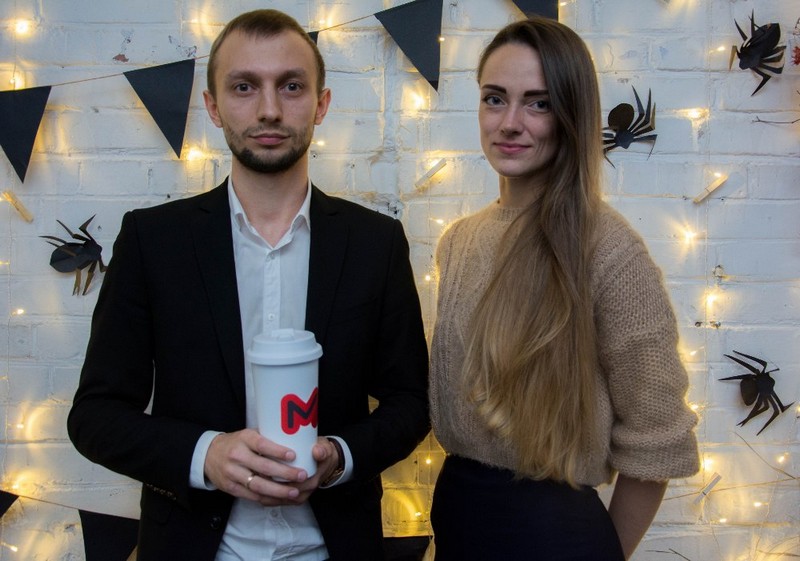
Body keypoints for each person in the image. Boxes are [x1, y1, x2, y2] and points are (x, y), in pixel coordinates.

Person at [67, 9, 429, 561]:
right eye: (244, 87)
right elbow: (95, 417)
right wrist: (205, 455)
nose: (269, 110)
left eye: (291, 86)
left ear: (321, 104)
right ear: (213, 107)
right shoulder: (152, 241)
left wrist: (341, 456)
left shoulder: (375, 243)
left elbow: (411, 403)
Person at [428, 16, 699, 561]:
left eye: (539, 103)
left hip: (554, 534)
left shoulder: (608, 248)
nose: (509, 123)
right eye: (494, 99)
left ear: (572, 115)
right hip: (459, 514)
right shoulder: (458, 241)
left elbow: (658, 436)